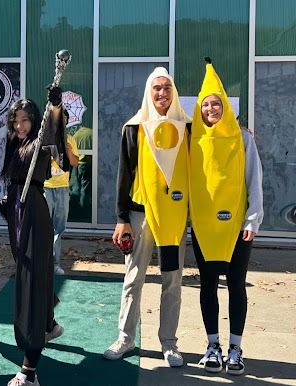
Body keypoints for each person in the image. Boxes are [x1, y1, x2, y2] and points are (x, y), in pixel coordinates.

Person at [0, 86, 68, 386]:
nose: (20, 125)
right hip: (17, 216)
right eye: (16, 119)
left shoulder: (41, 141)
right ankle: (48, 323)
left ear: (35, 120)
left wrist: (55, 107)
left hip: (35, 217)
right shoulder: (14, 144)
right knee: (33, 277)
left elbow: (58, 147)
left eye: (26, 119)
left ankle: (29, 370)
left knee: (29, 287)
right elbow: (14, 191)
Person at [103, 67, 192, 368]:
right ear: (148, 91)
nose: (162, 93)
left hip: (173, 220)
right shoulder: (135, 127)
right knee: (133, 279)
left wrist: (241, 132)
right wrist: (121, 217)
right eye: (157, 88)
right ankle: (126, 337)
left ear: (174, 92)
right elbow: (124, 174)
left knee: (172, 281)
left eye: (167, 88)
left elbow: (215, 143)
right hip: (140, 216)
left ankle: (169, 343)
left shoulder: (188, 127)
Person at [189, 59, 263, 375]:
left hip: (236, 227)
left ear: (225, 107)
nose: (211, 109)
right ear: (199, 109)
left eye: (216, 103)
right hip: (204, 228)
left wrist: (252, 220)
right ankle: (212, 346)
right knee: (208, 285)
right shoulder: (193, 142)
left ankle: (235, 348)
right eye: (205, 104)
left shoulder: (242, 139)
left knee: (235, 285)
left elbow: (253, 181)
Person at [44, 109, 79, 275]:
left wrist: (70, 151)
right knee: (43, 226)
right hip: (45, 187)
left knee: (58, 228)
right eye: (59, 117)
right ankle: (41, 263)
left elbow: (74, 163)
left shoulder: (70, 139)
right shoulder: (45, 137)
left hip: (62, 188)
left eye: (64, 118)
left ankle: (55, 264)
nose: (61, 120)